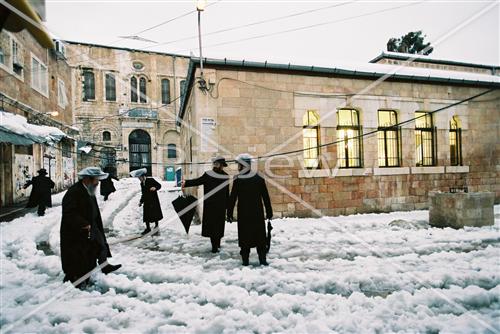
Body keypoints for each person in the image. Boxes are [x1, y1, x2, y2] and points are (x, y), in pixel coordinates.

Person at [60, 167, 121, 288]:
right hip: (77, 230)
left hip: (92, 225)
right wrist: (83, 223)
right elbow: (69, 213)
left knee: (101, 244)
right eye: (96, 179)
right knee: (80, 254)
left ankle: (104, 266)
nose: (98, 182)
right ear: (88, 179)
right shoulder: (74, 191)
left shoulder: (89, 189)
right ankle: (74, 277)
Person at [227, 154, 273, 266]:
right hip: (257, 214)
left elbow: (232, 198)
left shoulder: (238, 180)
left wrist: (229, 213)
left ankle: (245, 261)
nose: (238, 166)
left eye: (239, 164)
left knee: (245, 239)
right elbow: (266, 197)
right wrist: (269, 212)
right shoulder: (259, 178)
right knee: (260, 238)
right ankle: (262, 260)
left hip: (244, 215)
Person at [182, 156, 230, 253]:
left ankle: (216, 245)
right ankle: (216, 245)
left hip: (213, 205)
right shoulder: (221, 176)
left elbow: (226, 192)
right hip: (216, 206)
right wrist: (186, 183)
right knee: (216, 225)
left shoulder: (221, 175)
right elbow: (198, 181)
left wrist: (186, 183)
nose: (220, 167)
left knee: (216, 226)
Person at [132, 168, 163, 236]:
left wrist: (155, 188)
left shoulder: (150, 180)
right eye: (138, 178)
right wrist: (141, 201)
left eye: (139, 177)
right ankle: (148, 228)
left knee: (155, 214)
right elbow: (143, 193)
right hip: (146, 201)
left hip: (153, 200)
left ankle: (156, 226)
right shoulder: (142, 183)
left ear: (143, 176)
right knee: (146, 215)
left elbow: (159, 185)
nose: (139, 179)